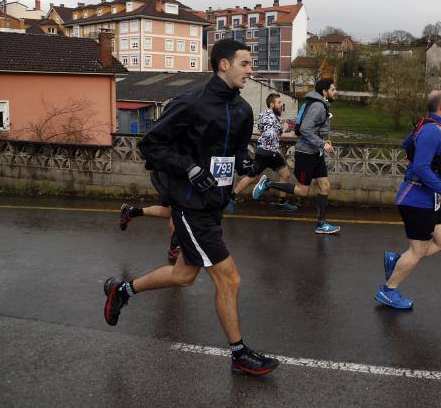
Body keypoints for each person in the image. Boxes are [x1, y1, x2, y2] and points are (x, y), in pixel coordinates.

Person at [103, 40, 278, 376]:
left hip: (215, 203)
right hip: (190, 203)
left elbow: (237, 155)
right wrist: (189, 167)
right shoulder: (190, 104)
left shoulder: (242, 110)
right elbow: (150, 145)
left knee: (183, 275)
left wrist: (251, 163)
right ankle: (239, 354)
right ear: (223, 64)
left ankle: (121, 290)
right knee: (230, 279)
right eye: (245, 63)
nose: (250, 70)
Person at [374, 89, 441, 309]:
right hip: (415, 199)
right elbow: (421, 167)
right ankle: (388, 291)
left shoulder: (431, 127)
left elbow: (407, 145)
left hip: (428, 199)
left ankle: (397, 261)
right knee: (418, 250)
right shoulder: (432, 132)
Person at [252, 79, 340, 234]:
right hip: (306, 154)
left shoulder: (317, 103)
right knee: (302, 190)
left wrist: (323, 142)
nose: (335, 92)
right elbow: (305, 129)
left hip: (315, 153)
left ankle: (321, 224)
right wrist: (322, 144)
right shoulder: (318, 105)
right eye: (333, 89)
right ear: (325, 91)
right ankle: (268, 184)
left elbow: (314, 128)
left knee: (325, 186)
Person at [228, 92, 297, 212]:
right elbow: (269, 134)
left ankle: (282, 202)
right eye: (279, 102)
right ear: (272, 104)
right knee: (252, 176)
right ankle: (231, 198)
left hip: (273, 152)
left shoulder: (268, 115)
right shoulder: (269, 116)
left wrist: (280, 129)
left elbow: (261, 129)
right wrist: (283, 129)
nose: (281, 105)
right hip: (265, 152)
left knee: (285, 174)